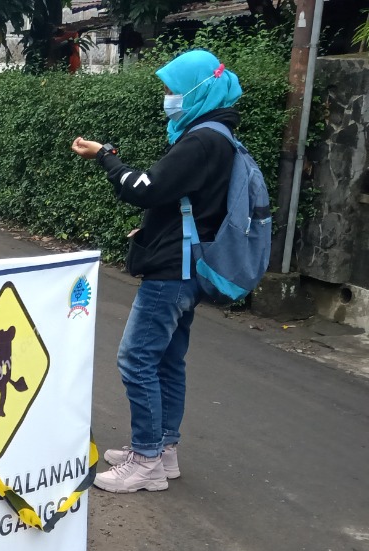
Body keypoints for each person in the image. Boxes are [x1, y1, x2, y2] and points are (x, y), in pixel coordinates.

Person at [70, 50, 242, 493]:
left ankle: (146, 459)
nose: (168, 98)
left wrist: (105, 156)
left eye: (173, 90)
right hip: (187, 264)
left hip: (173, 271)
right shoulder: (217, 134)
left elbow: (146, 189)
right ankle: (163, 450)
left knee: (137, 357)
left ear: (199, 89)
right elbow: (190, 202)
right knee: (167, 359)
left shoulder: (203, 139)